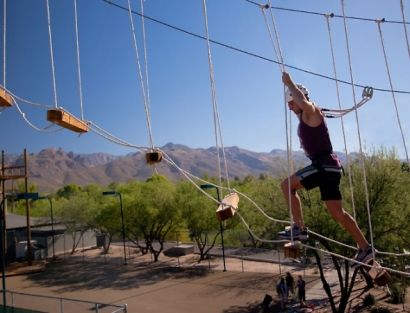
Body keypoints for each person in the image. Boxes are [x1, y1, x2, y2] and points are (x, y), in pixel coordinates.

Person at [277, 71, 372, 267]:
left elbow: (304, 102)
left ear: (298, 98)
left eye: (291, 101)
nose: (289, 105)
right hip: (330, 168)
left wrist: (290, 83)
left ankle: (299, 228)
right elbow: (301, 104)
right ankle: (365, 248)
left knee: (287, 186)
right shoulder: (305, 116)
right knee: (338, 214)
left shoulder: (311, 111)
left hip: (324, 166)